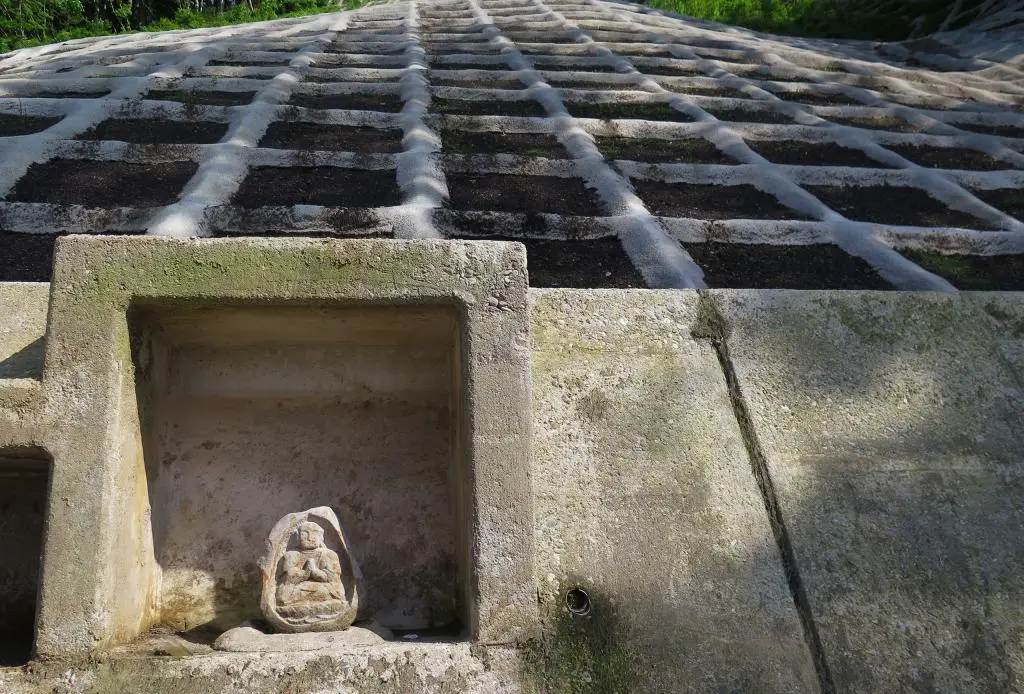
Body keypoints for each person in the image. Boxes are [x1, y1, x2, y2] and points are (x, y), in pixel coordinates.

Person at [275, 521, 345, 617]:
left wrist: (315, 571)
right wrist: (306, 572)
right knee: (282, 595)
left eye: (314, 533)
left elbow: (334, 578)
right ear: (298, 537)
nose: (310, 537)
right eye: (305, 533)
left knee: (331, 591)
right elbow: (288, 578)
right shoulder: (291, 555)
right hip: (298, 588)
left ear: (321, 537)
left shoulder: (328, 554)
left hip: (323, 588)